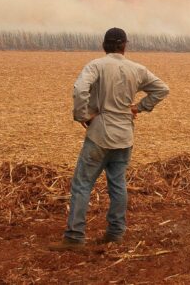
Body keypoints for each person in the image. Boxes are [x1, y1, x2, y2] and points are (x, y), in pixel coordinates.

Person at [55, 27, 169, 249]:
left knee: (82, 184)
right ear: (124, 45)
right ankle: (115, 233)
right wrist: (139, 107)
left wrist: (82, 115)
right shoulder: (137, 69)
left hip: (100, 134)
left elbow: (80, 89)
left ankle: (74, 237)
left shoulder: (96, 65)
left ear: (104, 45)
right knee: (118, 184)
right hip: (125, 135)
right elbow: (162, 89)